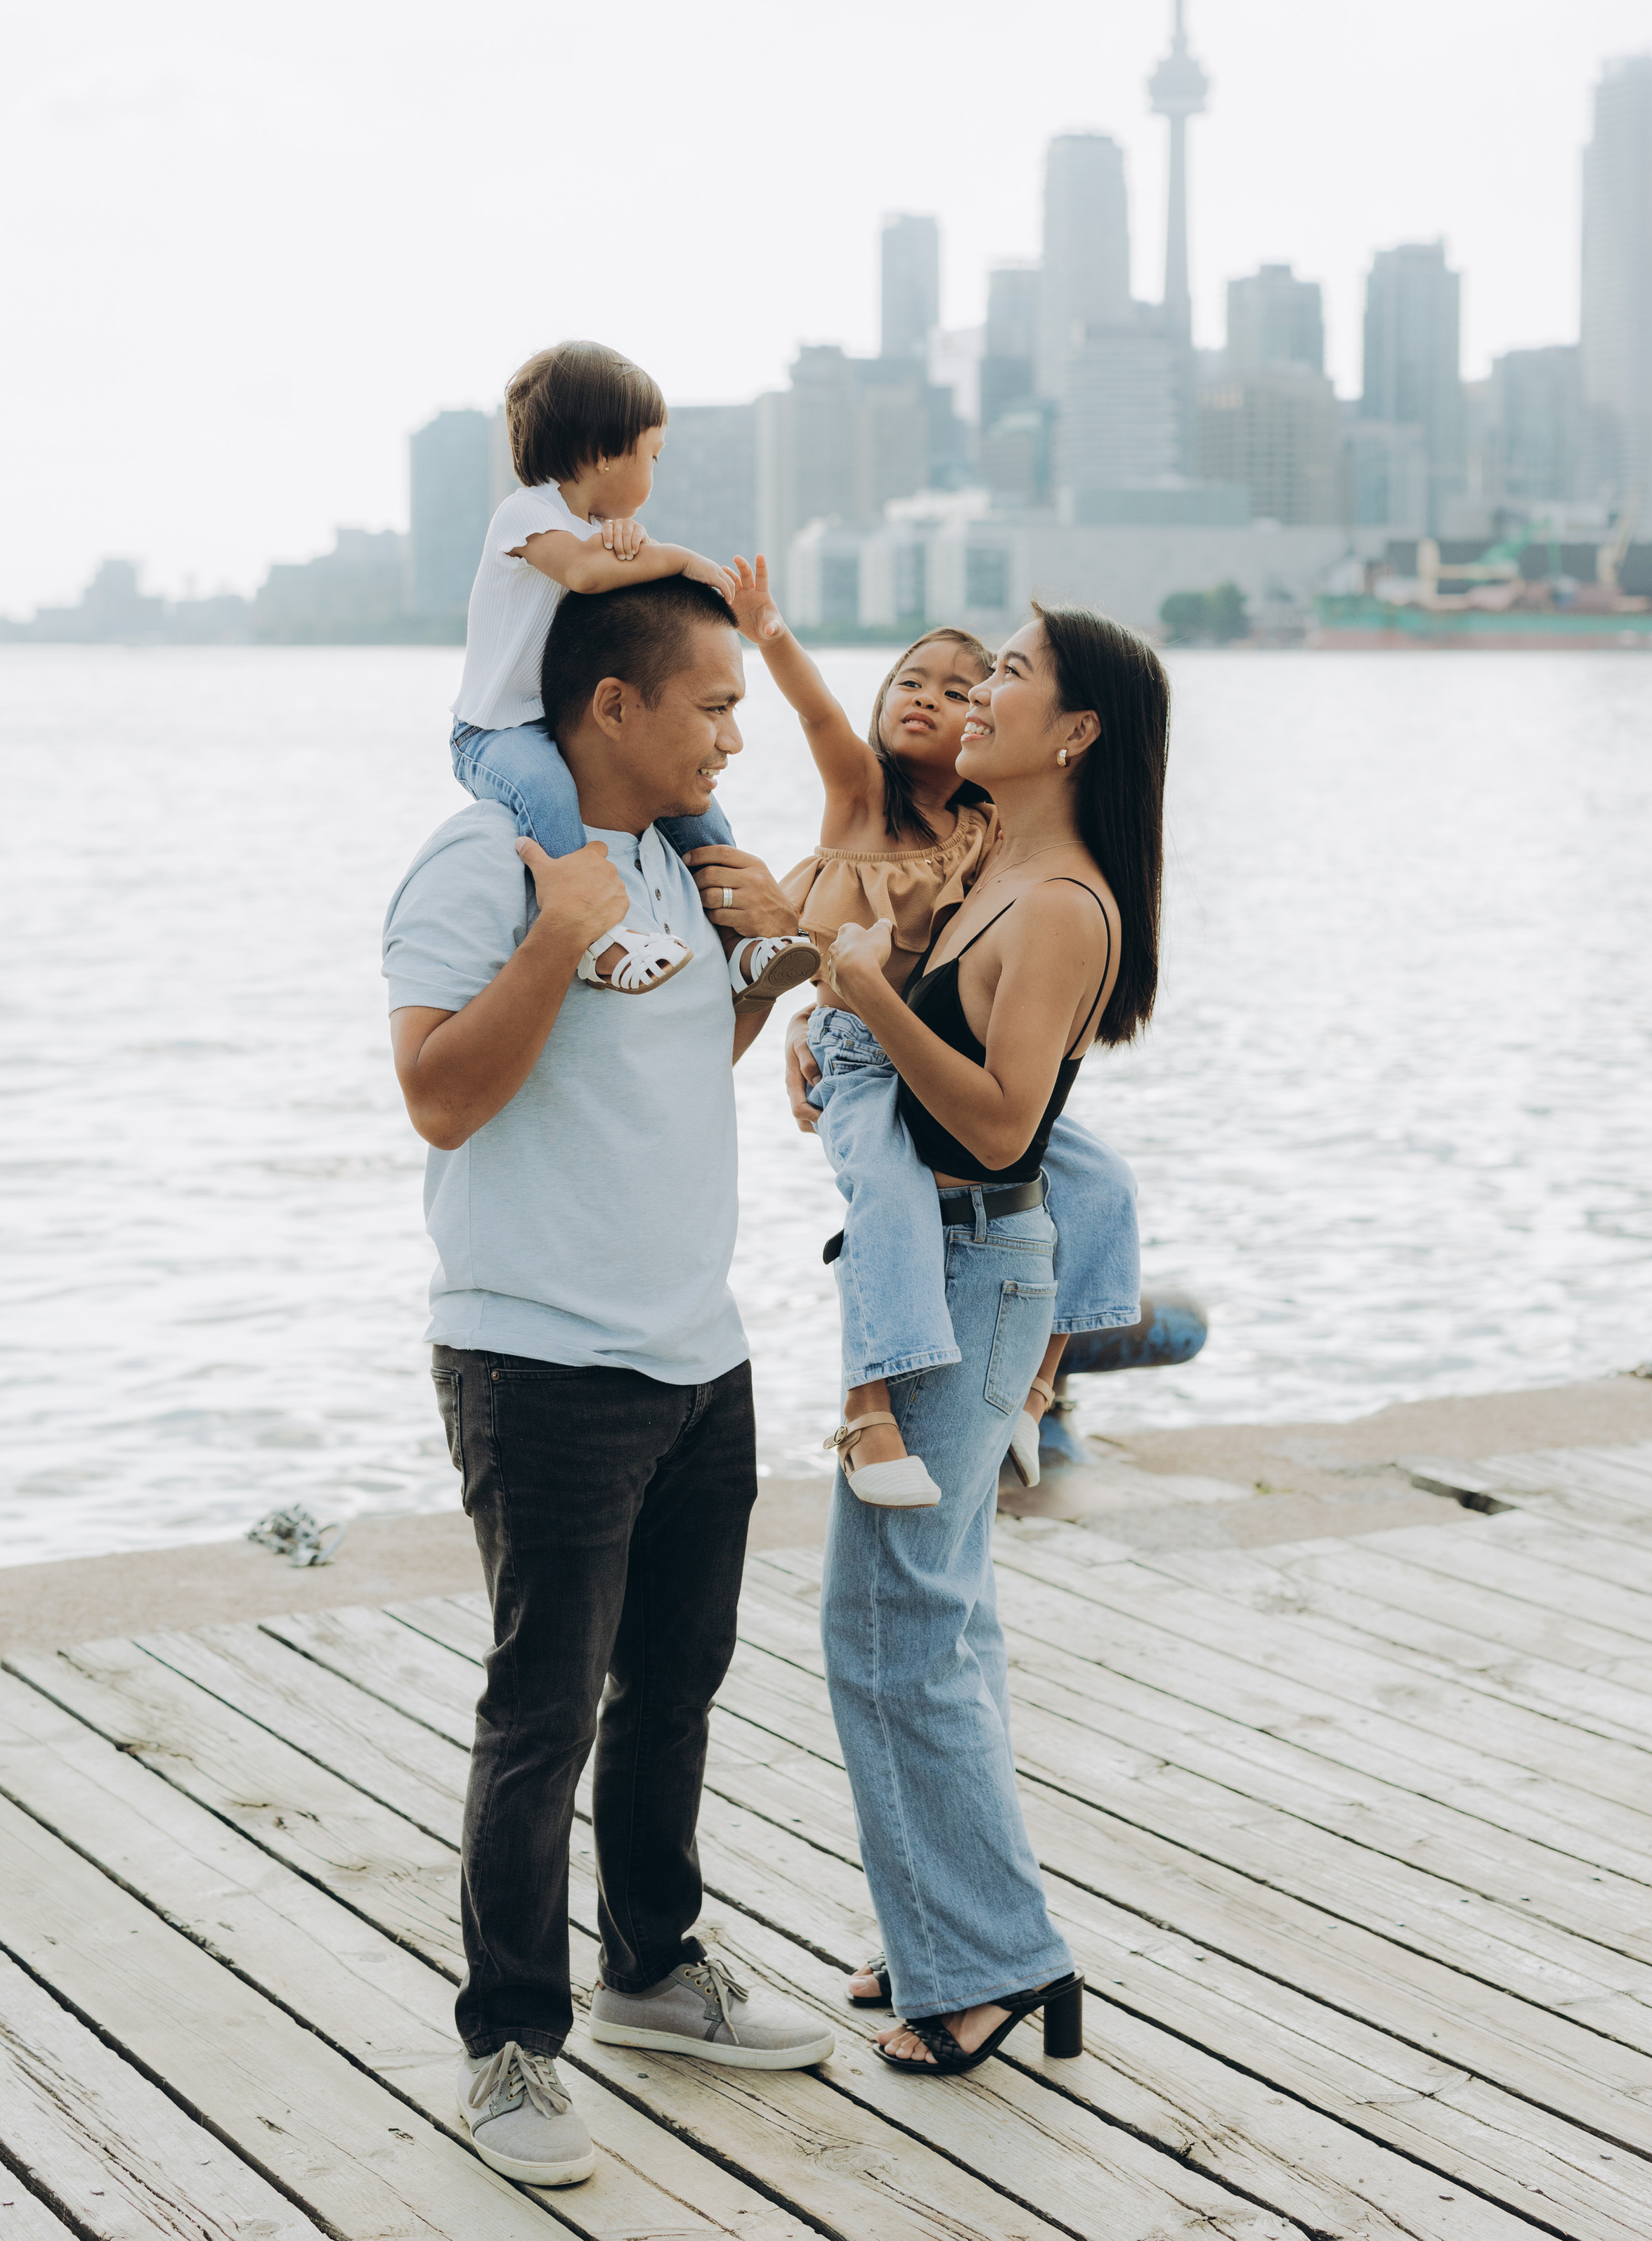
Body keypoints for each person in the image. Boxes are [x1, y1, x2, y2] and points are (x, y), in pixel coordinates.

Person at [384, 573, 834, 2192]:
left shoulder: (668, 858)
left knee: (675, 1680)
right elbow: (440, 1095)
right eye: (712, 702)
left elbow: (652, 1055)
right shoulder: (485, 864)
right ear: (612, 708)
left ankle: (652, 1966)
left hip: (695, 1348)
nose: (733, 729)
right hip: (539, 1358)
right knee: (542, 1708)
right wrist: (553, 939)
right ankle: (508, 2041)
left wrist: (766, 972)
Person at [796, 602, 1170, 2074]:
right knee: (921, 1619)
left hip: (973, 1274)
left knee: (891, 1626)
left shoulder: (1065, 902)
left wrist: (875, 1000)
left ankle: (989, 1958)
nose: (981, 689)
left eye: (1012, 673)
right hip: (949, 1268)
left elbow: (1007, 1123)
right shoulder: (993, 865)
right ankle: (945, 1933)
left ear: (1072, 731)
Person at [723, 559, 1143, 1501]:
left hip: (929, 1051)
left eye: (963, 689)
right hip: (860, 1047)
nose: (931, 699)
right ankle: (868, 1409)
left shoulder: (994, 833)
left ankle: (1042, 1389)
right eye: (910, 682)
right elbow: (818, 713)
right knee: (888, 1194)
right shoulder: (864, 798)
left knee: (1098, 1182)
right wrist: (769, 630)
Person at [449, 338, 817, 1007]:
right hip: (496, 732)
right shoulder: (528, 510)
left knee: (700, 818)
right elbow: (586, 574)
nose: (655, 471)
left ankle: (743, 945)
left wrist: (644, 549)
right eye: (653, 454)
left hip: (558, 724)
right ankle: (599, 938)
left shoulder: (599, 526)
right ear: (604, 452)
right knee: (550, 795)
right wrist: (676, 559)